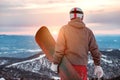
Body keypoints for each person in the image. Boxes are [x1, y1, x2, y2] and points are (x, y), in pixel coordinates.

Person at [50, 7, 104, 80]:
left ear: (70, 17)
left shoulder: (64, 29)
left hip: (66, 66)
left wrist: (55, 62)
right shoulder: (88, 32)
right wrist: (97, 65)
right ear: (82, 17)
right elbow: (94, 49)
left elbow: (59, 49)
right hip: (81, 67)